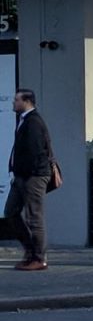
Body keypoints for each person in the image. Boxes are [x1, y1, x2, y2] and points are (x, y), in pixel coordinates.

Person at [5, 88, 53, 271]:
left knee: (34, 216)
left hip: (33, 176)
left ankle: (39, 258)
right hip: (20, 176)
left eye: (16, 100)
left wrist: (25, 174)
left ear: (27, 101)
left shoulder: (33, 122)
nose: (13, 103)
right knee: (10, 211)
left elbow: (35, 152)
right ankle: (30, 251)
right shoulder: (23, 120)